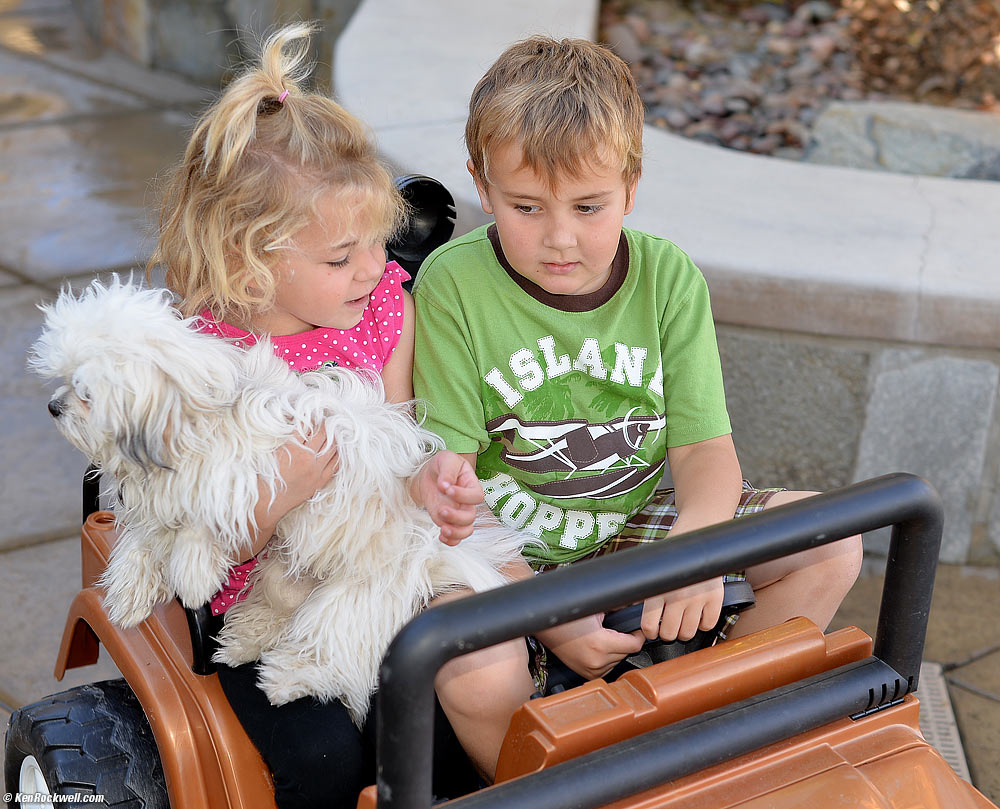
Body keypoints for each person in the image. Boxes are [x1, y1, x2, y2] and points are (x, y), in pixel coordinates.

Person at [411, 35, 864, 781]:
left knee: (833, 541)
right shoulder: (453, 285)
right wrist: (551, 614)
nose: (560, 238)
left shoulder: (667, 277)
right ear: (481, 188)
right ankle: (538, 787)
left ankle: (694, 737)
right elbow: (453, 493)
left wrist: (695, 554)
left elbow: (702, 449)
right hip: (504, 554)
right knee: (473, 669)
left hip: (627, 533)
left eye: (589, 207)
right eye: (526, 207)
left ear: (631, 183)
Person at [148, 22, 482, 809]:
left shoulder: (380, 311)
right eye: (341, 258)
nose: (377, 267)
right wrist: (282, 489)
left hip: (367, 575)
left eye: (378, 241)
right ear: (245, 261)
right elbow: (200, 547)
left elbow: (402, 447)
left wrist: (429, 485)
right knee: (329, 757)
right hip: (256, 602)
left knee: (443, 719)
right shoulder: (202, 363)